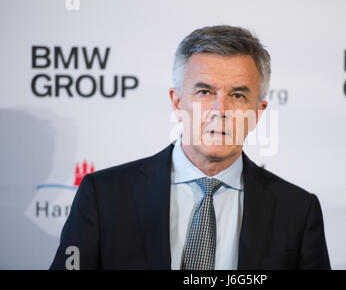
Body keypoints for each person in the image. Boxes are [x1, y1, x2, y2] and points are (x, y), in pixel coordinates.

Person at [50, 25, 331, 270]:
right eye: (205, 92)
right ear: (176, 102)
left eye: (237, 95)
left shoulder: (297, 210)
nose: (220, 110)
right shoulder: (104, 195)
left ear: (258, 112)